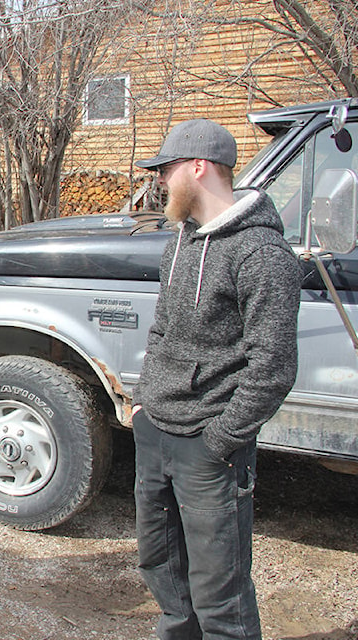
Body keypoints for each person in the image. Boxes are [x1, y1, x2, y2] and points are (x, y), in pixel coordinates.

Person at [133, 119, 301, 639]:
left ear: (198, 168)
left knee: (218, 590)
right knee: (162, 570)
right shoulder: (180, 241)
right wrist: (143, 404)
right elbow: (162, 329)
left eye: (167, 170)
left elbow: (272, 368)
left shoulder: (262, 255)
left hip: (210, 447)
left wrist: (220, 441)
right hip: (155, 432)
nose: (161, 180)